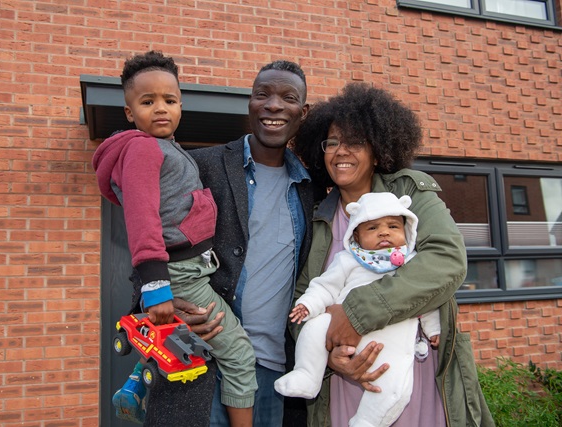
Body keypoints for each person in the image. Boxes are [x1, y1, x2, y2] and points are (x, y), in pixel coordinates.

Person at [291, 82, 494, 426]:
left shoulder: (410, 193)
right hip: (347, 381)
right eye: (332, 142)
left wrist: (355, 314)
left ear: (378, 149)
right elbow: (302, 297)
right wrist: (328, 356)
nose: (341, 152)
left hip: (413, 371)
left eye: (355, 142)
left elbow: (446, 261)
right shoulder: (315, 214)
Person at [92, 50, 256, 426]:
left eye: (169, 100)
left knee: (181, 341)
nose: (160, 108)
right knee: (238, 354)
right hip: (179, 273)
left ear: (181, 104)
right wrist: (156, 286)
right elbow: (142, 216)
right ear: (130, 112)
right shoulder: (142, 148)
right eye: (147, 102)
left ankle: (134, 385)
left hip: (189, 269)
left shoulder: (163, 146)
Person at [186, 60, 321, 427]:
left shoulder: (312, 188)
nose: (274, 105)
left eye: (287, 98)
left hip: (274, 373)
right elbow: (149, 235)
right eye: (263, 95)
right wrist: (166, 299)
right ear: (250, 104)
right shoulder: (202, 165)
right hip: (203, 358)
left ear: (302, 112)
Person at [275, 192, 441, 427]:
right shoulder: (348, 260)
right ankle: (307, 375)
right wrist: (308, 305)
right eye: (372, 228)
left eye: (393, 226)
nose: (384, 232)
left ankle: (367, 421)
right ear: (356, 235)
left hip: (391, 345)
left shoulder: (412, 261)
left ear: (407, 230)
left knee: (393, 387)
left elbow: (427, 298)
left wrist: (434, 328)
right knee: (314, 328)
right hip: (343, 334)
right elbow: (325, 287)